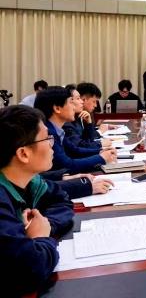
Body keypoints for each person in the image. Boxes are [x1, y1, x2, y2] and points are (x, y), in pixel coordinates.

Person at [0, 105, 74, 296]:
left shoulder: (31, 181)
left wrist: (43, 226)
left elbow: (63, 201)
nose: (52, 145)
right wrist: (41, 238)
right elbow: (29, 271)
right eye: (47, 138)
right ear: (23, 154)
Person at [34, 86, 116, 174]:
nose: (74, 106)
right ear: (57, 108)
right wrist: (101, 158)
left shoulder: (56, 129)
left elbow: (74, 151)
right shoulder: (48, 132)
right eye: (71, 102)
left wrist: (100, 152)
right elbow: (67, 165)